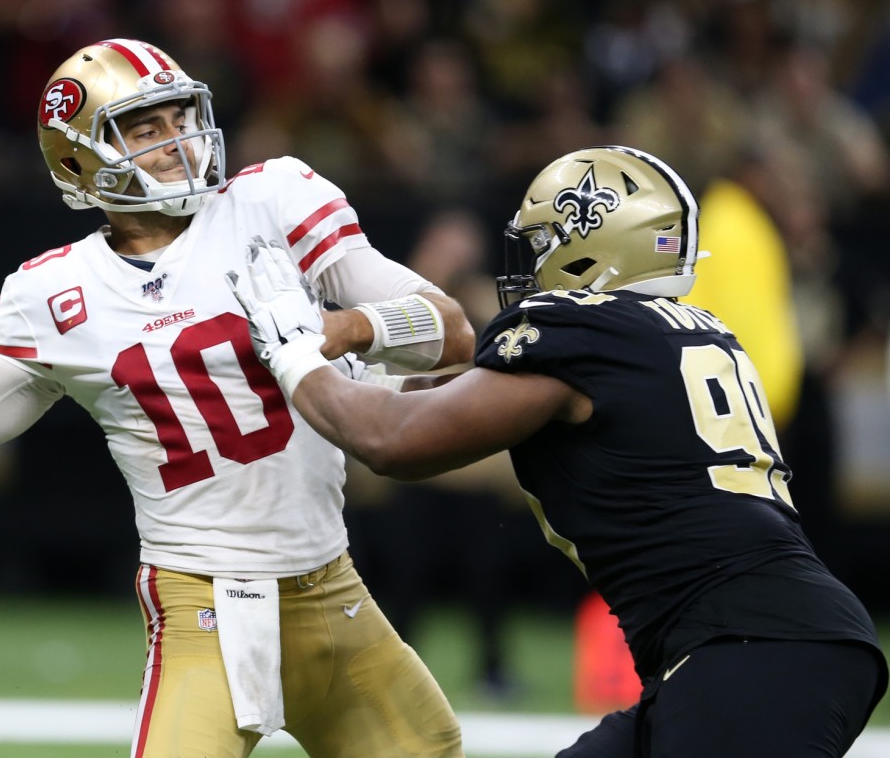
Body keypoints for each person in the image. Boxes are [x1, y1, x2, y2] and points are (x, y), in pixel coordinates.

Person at [0, 38, 472, 757]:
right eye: (145, 130)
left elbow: (451, 331)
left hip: (334, 594)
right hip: (201, 608)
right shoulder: (55, 293)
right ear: (79, 161)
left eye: (180, 119)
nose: (178, 144)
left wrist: (339, 328)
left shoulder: (271, 201)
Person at [228, 145, 888, 758]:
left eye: (543, 242)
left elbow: (394, 441)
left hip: (750, 650)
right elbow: (430, 405)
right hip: (761, 642)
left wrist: (292, 351)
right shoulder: (680, 334)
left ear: (592, 243)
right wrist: (357, 371)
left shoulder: (582, 335)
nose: (529, 262)